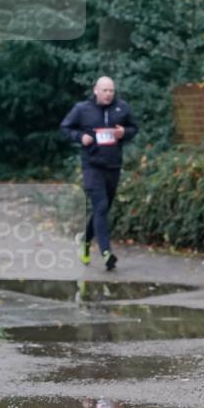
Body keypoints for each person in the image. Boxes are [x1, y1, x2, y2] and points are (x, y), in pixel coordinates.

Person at [60, 76, 138, 271]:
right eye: (105, 90)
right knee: (100, 205)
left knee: (102, 209)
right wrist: (81, 137)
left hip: (113, 166)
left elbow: (133, 128)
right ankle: (106, 253)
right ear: (96, 90)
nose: (108, 94)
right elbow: (65, 127)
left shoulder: (122, 108)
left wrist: (124, 133)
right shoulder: (82, 109)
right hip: (92, 166)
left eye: (111, 90)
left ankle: (85, 241)